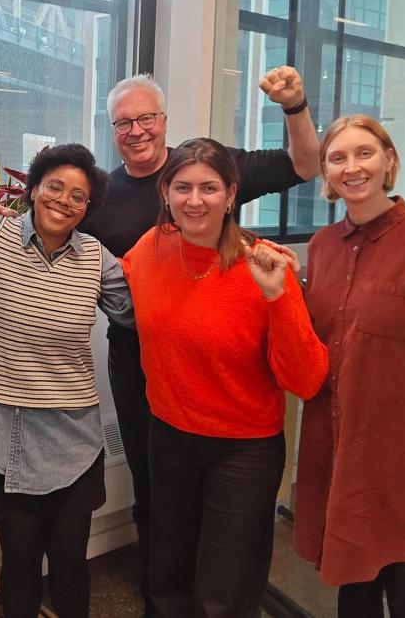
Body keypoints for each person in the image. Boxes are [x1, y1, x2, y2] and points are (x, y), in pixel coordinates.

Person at [78, 67, 321, 594]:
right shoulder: (119, 215)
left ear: (229, 193)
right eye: (123, 123)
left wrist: (295, 107)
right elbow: (60, 240)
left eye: (146, 118)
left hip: (233, 407)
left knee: (227, 550)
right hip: (148, 375)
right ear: (165, 196)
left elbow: (306, 165)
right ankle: (158, 590)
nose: (136, 130)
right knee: (159, 506)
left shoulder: (218, 176)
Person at [0, 138, 133, 618]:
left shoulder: (97, 258)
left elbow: (136, 313)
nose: (63, 201)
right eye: (54, 187)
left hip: (73, 435)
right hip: (5, 431)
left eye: (78, 196)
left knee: (69, 562)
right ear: (34, 188)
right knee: (19, 562)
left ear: (88, 207)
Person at [293, 114, 405, 618]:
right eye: (338, 158)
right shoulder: (322, 246)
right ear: (326, 173)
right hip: (345, 463)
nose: (352, 167)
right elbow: (319, 349)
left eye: (365, 153)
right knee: (354, 603)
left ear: (389, 160)